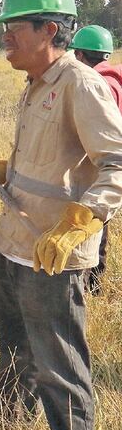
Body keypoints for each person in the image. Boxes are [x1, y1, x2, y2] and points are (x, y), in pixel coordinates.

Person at [0, 0, 122, 430]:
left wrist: (81, 222)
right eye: (4, 27)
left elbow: (115, 164)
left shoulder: (80, 83)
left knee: (59, 370)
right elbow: (52, 166)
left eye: (15, 27)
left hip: (52, 257)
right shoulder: (35, 85)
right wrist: (2, 172)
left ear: (49, 29)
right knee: (14, 358)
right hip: (12, 246)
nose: (5, 37)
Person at [70, 24, 122, 293]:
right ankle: (95, 286)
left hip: (100, 171)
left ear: (79, 55)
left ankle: (89, 286)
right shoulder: (115, 80)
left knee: (89, 231)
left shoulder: (95, 85)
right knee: (101, 228)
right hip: (113, 174)